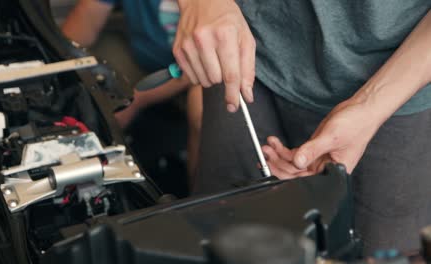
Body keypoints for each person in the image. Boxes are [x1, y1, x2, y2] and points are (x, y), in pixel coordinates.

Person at [172, 0, 431, 255]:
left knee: (378, 252)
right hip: (244, 54)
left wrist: (370, 106)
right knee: (223, 239)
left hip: (398, 80)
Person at [61, 0, 203, 184]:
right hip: (144, 61)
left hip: (199, 71)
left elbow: (206, 60)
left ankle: (202, 199)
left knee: (204, 107)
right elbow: (80, 31)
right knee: (94, 68)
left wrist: (136, 100)